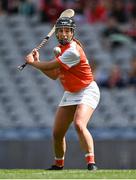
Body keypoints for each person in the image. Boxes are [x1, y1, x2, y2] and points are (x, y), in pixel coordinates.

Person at [25, 17, 100, 170]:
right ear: (57, 34)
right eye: (61, 31)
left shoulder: (72, 51)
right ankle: (58, 165)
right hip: (71, 93)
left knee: (79, 124)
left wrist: (33, 63)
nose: (64, 34)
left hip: (87, 90)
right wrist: (38, 62)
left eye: (67, 31)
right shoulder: (62, 51)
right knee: (57, 132)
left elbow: (50, 65)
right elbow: (53, 74)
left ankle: (91, 163)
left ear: (72, 33)